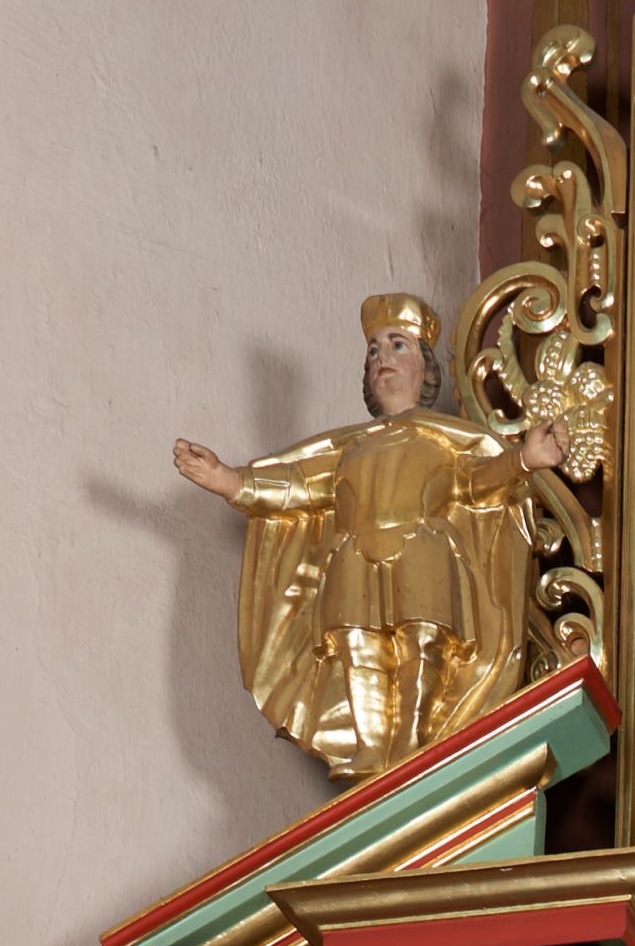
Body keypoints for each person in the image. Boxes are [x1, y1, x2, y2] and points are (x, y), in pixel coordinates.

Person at [173, 296, 561, 775]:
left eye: (397, 346)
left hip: (423, 549)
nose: (382, 358)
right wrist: (230, 481)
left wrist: (523, 460)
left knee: (423, 639)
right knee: (356, 644)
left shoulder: (443, 440)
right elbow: (298, 486)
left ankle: (413, 739)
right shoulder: (349, 449)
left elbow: (475, 483)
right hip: (354, 554)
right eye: (373, 351)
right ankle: (372, 745)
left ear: (425, 366)